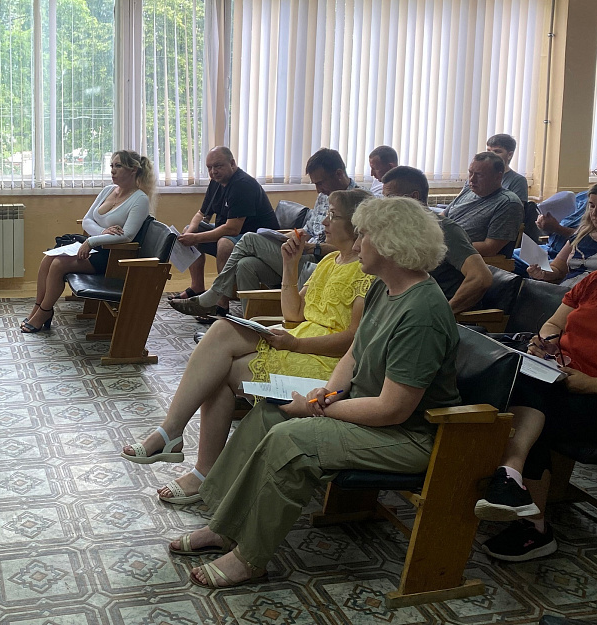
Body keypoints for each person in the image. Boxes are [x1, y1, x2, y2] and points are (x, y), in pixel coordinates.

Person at [167, 197, 459, 588]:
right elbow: (354, 354)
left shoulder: (421, 314)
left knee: (292, 442)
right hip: (368, 411)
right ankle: (223, 525)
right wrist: (327, 393)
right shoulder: (384, 288)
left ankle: (250, 558)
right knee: (268, 414)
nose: (358, 244)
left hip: (410, 436)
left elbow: (393, 410)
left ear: (391, 244)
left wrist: (318, 409)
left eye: (365, 236)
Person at [121, 189, 374, 505]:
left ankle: (192, 459)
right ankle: (179, 442)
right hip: (299, 340)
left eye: (332, 215)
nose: (324, 221)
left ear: (356, 224)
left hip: (325, 362)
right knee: (221, 333)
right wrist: (290, 265)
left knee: (218, 371)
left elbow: (352, 340)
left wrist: (297, 343)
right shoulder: (327, 262)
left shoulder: (365, 273)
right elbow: (294, 314)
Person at [474, 213, 597, 562]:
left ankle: (522, 504)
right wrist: (546, 342)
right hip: (564, 384)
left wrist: (593, 385)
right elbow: (554, 323)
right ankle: (513, 486)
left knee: (525, 402)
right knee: (519, 385)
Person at [169, 148, 356, 318]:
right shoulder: (325, 196)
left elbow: (353, 249)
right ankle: (250, 323)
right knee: (246, 265)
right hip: (301, 253)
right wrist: (289, 237)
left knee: (248, 239)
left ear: (339, 174)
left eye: (320, 183)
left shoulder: (357, 203)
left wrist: (312, 248)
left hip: (319, 262)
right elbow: (309, 230)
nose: (318, 190)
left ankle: (214, 296)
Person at [22, 150, 154, 333]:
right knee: (47, 260)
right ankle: (37, 308)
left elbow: (127, 236)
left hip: (113, 255)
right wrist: (101, 233)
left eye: (118, 166)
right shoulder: (108, 190)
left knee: (59, 264)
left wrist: (92, 242)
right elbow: (87, 220)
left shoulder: (140, 199)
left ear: (133, 170)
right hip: (96, 247)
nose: (112, 170)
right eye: (112, 166)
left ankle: (45, 311)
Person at [169, 147, 277, 301]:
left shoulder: (242, 185)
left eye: (218, 166)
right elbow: (201, 214)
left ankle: (221, 302)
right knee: (191, 229)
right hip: (235, 234)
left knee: (224, 243)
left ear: (232, 163)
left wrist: (195, 238)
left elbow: (232, 229)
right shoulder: (216, 183)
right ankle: (197, 287)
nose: (213, 172)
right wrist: (190, 233)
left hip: (257, 240)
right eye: (209, 168)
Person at [381, 166, 492, 313]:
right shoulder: (401, 229)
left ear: (414, 197)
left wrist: (444, 313)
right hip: (408, 306)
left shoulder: (445, 230)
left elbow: (481, 277)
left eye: (390, 198)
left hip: (433, 312)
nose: (384, 205)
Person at [525, 179, 597, 287]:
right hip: (567, 290)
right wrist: (543, 273)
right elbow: (558, 268)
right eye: (591, 206)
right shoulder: (584, 232)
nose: (594, 213)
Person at [444, 152, 524, 258]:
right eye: (470, 173)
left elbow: (489, 248)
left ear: (498, 176)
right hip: (441, 247)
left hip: (463, 259)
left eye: (479, 175)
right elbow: (443, 216)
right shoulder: (468, 190)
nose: (472, 179)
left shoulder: (508, 203)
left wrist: (444, 247)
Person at [487, 134, 529, 204]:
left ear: (509, 155)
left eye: (497, 151)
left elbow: (516, 208)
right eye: (488, 151)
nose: (490, 155)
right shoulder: (476, 176)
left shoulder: (518, 181)